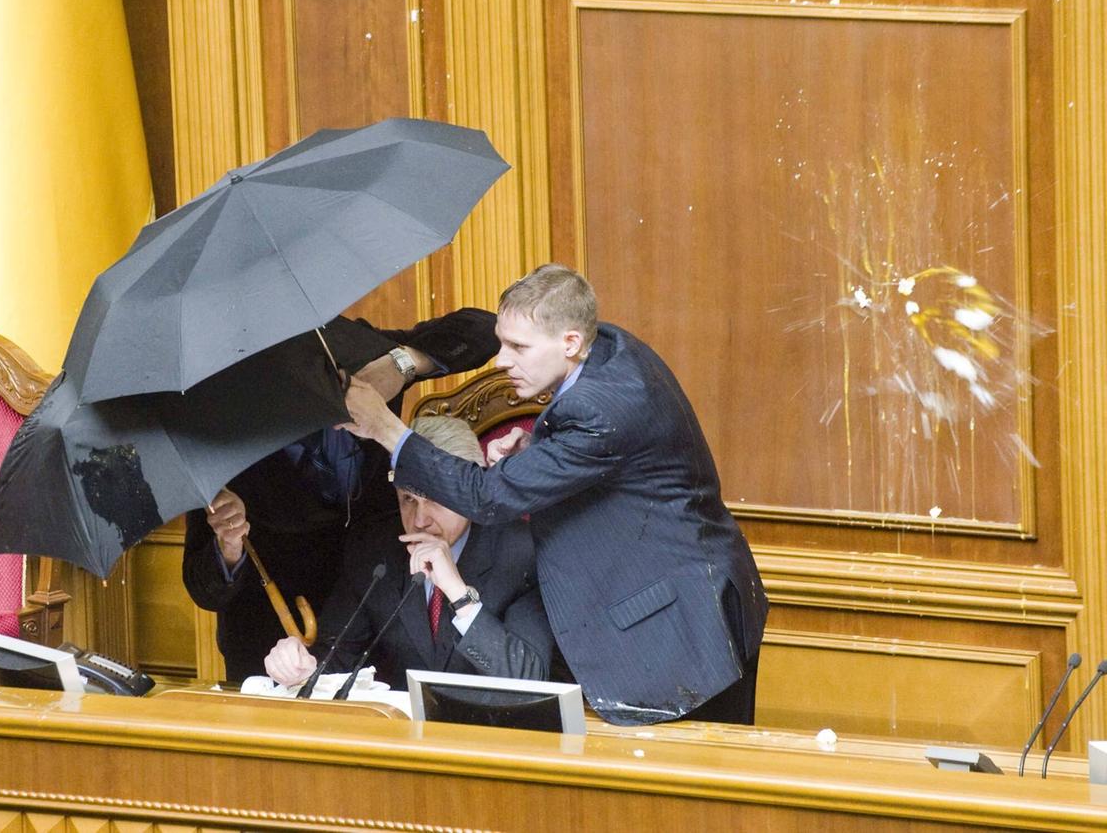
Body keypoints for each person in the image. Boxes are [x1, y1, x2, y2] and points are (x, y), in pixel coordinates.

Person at [341, 265, 769, 726]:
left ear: (569, 342)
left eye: (518, 347)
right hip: (693, 591)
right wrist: (537, 450)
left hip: (676, 628)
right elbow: (612, 457)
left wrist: (385, 429)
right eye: (502, 342)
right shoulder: (607, 346)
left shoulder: (601, 408)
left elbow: (488, 497)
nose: (500, 360)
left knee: (685, 785)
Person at [183, 309, 500, 683]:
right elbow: (203, 589)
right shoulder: (212, 425)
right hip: (271, 638)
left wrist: (400, 365)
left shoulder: (353, 354)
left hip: (379, 618)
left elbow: (483, 330)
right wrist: (229, 546)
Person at [264, 416, 552, 690]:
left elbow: (528, 676)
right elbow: (337, 656)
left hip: (494, 733)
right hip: (403, 733)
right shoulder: (376, 548)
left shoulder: (523, 550)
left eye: (437, 497)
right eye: (408, 499)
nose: (419, 520)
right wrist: (303, 667)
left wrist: (457, 592)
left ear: (470, 487)